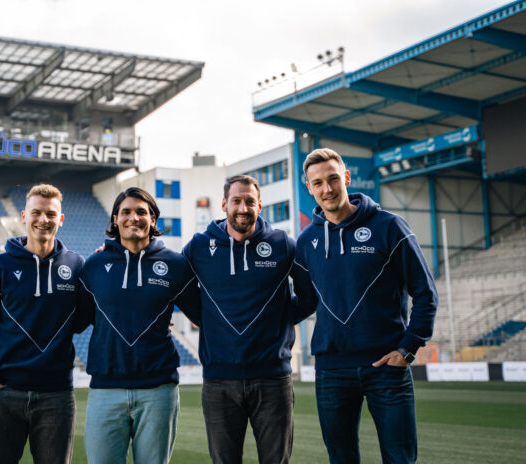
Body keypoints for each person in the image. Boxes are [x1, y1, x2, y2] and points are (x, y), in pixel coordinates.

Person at [295, 148, 438, 464]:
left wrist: (410, 346)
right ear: (309, 187)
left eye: (333, 179)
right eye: (317, 183)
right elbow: (304, 301)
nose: (327, 189)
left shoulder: (390, 226)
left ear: (346, 178)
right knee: (341, 459)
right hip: (331, 369)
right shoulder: (306, 242)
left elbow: (425, 292)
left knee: (400, 458)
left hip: (386, 366)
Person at [182, 174, 316, 464]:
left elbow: (309, 295)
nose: (243, 208)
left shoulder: (282, 244)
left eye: (249, 202)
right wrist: (208, 319)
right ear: (224, 204)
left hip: (273, 379)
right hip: (219, 381)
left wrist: (277, 319)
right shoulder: (199, 247)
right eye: (236, 201)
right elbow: (175, 286)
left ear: (260, 205)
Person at [77, 187, 200, 464]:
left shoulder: (176, 264)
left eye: (141, 212)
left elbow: (205, 315)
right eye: (126, 212)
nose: (134, 217)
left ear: (153, 220)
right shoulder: (94, 265)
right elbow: (74, 321)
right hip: (106, 391)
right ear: (115, 220)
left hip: (158, 391)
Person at [0, 184, 83, 464]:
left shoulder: (78, 266)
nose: (43, 220)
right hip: (5, 394)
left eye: (50, 214)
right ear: (24, 216)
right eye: (36, 213)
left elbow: (96, 313)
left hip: (57, 395)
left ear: (61, 219)